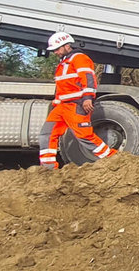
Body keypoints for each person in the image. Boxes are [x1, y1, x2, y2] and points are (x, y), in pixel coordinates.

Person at [38, 31, 118, 169]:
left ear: (66, 45)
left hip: (76, 105)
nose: (55, 52)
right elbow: (62, 86)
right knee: (47, 133)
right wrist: (56, 102)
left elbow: (88, 79)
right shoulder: (63, 63)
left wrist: (88, 99)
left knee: (85, 137)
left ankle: (115, 159)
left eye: (57, 49)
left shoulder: (79, 58)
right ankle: (48, 168)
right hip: (62, 107)